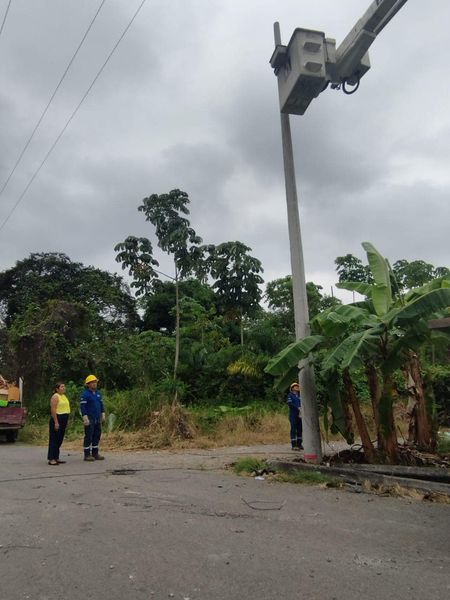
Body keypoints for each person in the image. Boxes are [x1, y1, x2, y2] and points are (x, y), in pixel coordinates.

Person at [80, 374, 106, 461]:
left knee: (97, 435)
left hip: (97, 418)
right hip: (89, 418)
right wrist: (85, 417)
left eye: (95, 382)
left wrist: (103, 414)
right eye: (92, 382)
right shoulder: (85, 394)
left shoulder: (98, 393)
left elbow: (101, 405)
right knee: (89, 436)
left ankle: (95, 453)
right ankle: (87, 454)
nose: (94, 384)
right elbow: (83, 407)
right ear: (88, 384)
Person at [47, 382, 71, 465]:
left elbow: (66, 408)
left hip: (64, 418)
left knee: (59, 439)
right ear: (57, 389)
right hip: (57, 418)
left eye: (64, 386)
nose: (64, 388)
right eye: (61, 387)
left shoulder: (64, 396)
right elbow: (53, 410)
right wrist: (56, 422)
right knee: (54, 439)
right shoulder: (55, 396)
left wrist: (67, 420)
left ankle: (56, 457)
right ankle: (51, 458)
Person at [287, 382, 303, 450]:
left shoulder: (300, 395)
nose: (297, 387)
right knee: (293, 429)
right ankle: (294, 445)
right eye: (295, 386)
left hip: (300, 415)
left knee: (300, 429)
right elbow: (290, 404)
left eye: (297, 386)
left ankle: (299, 444)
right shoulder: (290, 395)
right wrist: (297, 408)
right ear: (292, 388)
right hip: (293, 414)